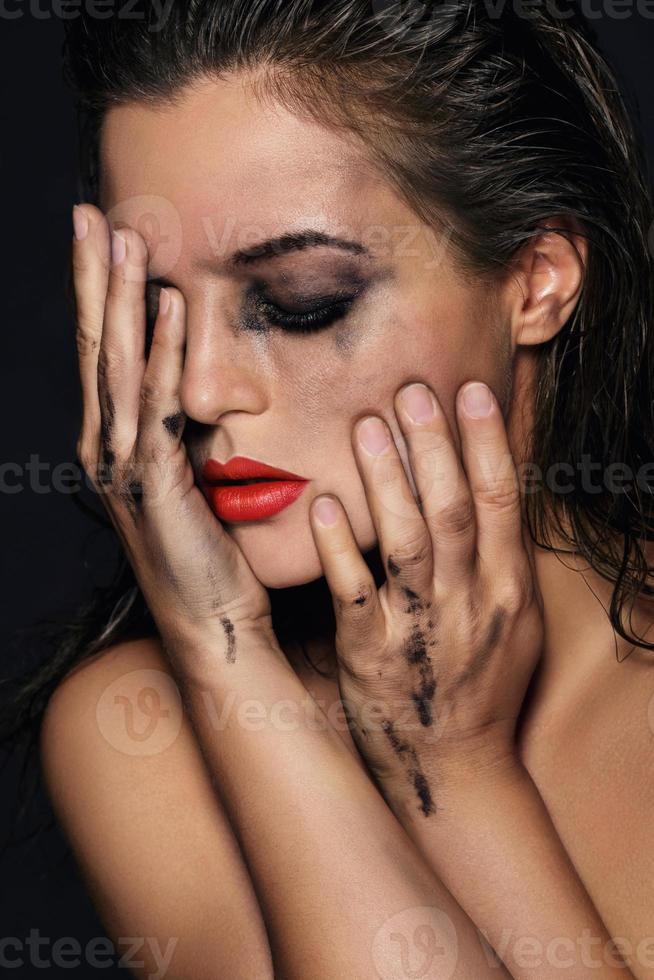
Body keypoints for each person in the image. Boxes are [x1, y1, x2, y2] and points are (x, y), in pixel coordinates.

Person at [5, 0, 654, 976]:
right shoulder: (142, 728)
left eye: (302, 302)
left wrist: (458, 769)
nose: (199, 388)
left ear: (537, 280)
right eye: (159, 312)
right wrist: (222, 652)